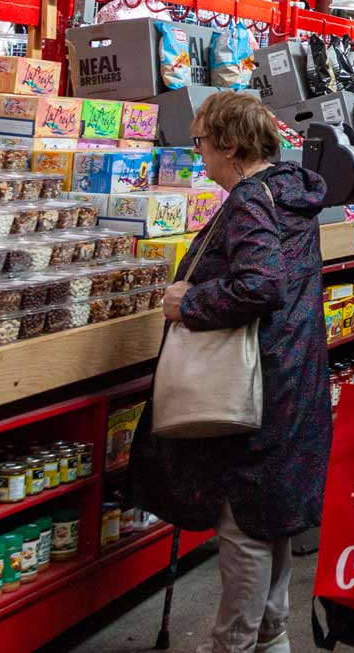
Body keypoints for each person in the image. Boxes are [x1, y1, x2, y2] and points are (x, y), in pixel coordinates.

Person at [138, 91, 330, 653]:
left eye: (200, 143)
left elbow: (260, 284)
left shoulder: (250, 199)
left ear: (229, 144)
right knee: (269, 518)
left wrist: (187, 303)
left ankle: (235, 644)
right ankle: (271, 639)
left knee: (243, 522)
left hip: (254, 385)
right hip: (292, 377)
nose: (199, 156)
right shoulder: (289, 190)